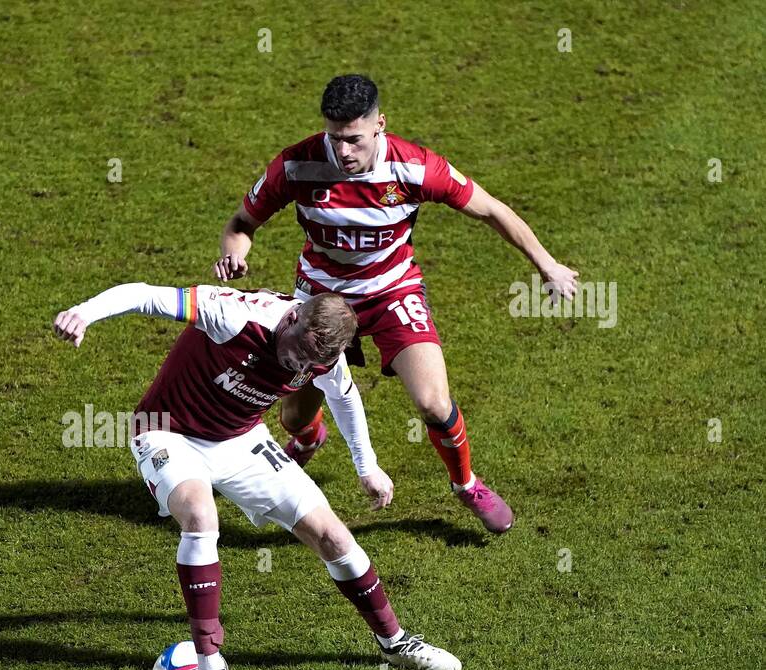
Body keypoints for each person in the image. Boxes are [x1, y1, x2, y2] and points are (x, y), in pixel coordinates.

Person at [53, 282, 461, 670]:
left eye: (310, 365)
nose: (299, 368)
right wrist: (85, 312)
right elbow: (145, 294)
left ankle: (394, 641)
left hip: (241, 440)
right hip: (167, 432)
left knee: (333, 536)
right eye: (296, 355)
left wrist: (367, 466)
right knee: (201, 518)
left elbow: (344, 397)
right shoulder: (231, 314)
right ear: (292, 318)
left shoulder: (322, 353)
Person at [215, 74, 580, 533]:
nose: (343, 152)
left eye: (353, 140)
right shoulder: (296, 165)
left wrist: (546, 264)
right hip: (320, 302)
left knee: (432, 402)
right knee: (292, 416)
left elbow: (491, 209)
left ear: (379, 125)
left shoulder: (416, 167)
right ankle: (308, 438)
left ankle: (465, 485)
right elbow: (241, 222)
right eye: (334, 138)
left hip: (392, 291)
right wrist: (235, 254)